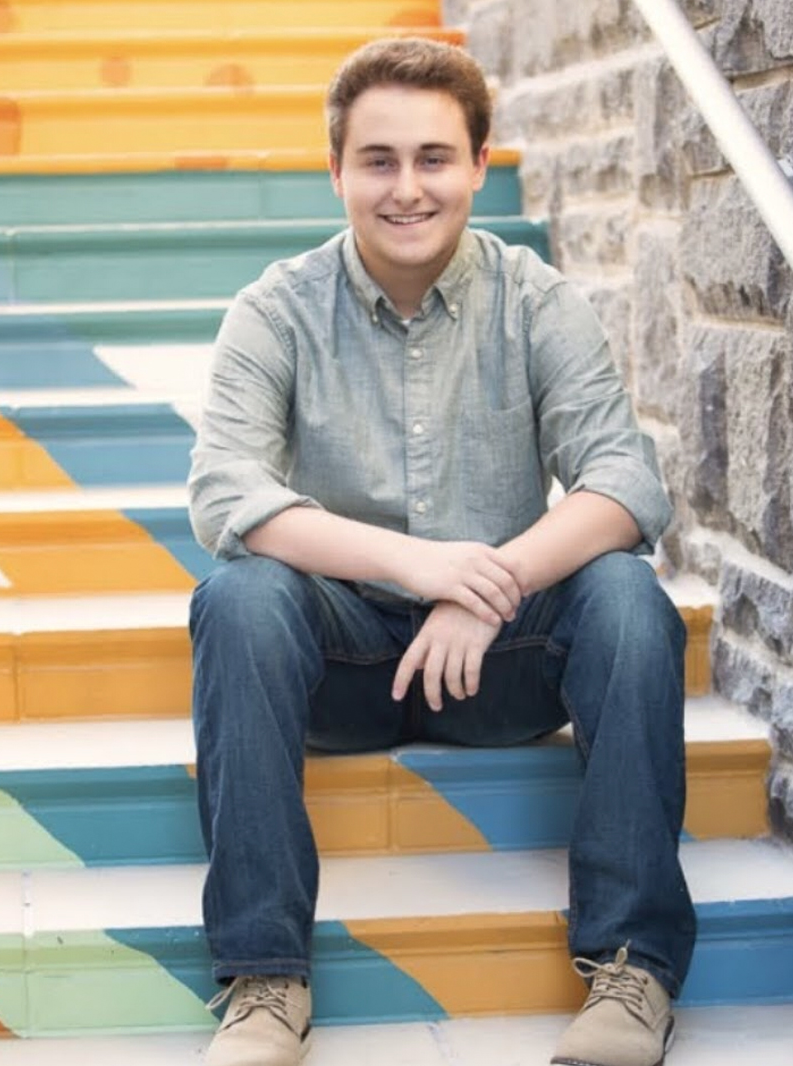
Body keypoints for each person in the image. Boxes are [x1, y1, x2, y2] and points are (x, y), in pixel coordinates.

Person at [187, 36, 696, 1066]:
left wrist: (489, 582)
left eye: (432, 157)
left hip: (498, 664)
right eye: (377, 160)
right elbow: (226, 492)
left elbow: (624, 481)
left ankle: (632, 970)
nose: (406, 187)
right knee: (239, 597)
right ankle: (264, 981)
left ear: (476, 162)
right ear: (335, 171)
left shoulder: (535, 298)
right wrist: (423, 568)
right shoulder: (275, 309)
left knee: (627, 597)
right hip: (343, 661)